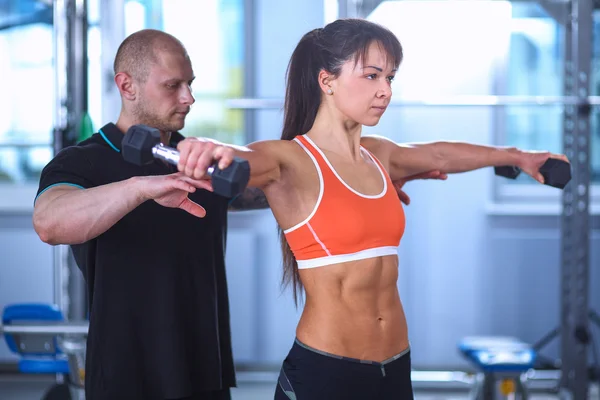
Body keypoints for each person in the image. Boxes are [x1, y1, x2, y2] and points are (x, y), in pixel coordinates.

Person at [31, 28, 441, 400]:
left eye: (190, 85)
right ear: (127, 86)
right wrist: (141, 187)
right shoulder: (83, 162)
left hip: (204, 370)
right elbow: (50, 222)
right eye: (173, 86)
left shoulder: (195, 159)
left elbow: (287, 189)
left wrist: (364, 186)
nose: (188, 98)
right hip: (126, 373)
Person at [174, 19, 570, 400]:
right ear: (326, 80)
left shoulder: (379, 155)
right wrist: (210, 146)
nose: (385, 91)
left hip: (394, 366)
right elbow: (241, 157)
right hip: (326, 370)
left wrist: (519, 157)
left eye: (390, 78)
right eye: (371, 75)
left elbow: (439, 154)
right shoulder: (289, 159)